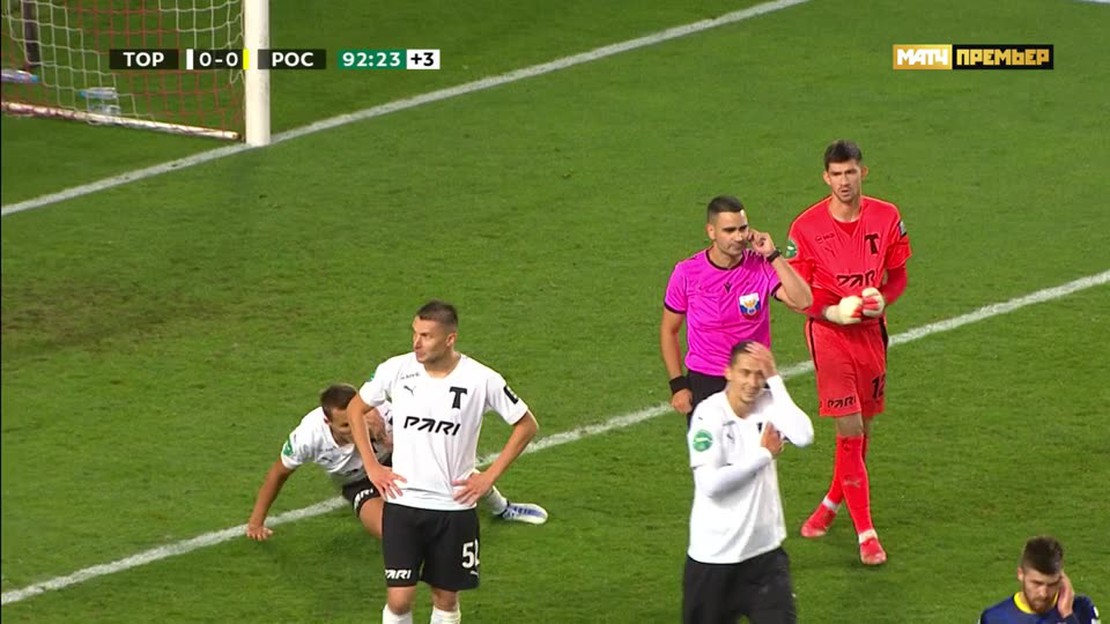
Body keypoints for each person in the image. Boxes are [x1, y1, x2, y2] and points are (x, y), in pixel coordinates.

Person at [346, 300, 540, 624]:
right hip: (403, 503)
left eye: (426, 336)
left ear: (450, 339)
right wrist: (372, 466)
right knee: (399, 599)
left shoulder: (482, 379)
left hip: (454, 507)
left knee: (446, 598)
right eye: (414, 333)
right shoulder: (396, 369)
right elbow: (355, 409)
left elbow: (526, 425)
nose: (416, 343)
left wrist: (489, 476)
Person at [786, 140, 912, 565]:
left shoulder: (887, 216)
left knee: (862, 432)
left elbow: (898, 276)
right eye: (837, 174)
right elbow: (795, 293)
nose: (844, 181)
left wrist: (883, 300)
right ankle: (866, 534)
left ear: (863, 173)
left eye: (850, 172)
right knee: (851, 428)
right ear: (826, 177)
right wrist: (831, 311)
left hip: (872, 335)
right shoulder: (805, 228)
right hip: (829, 336)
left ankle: (830, 503)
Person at [245, 383, 548, 543]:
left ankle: (503, 508)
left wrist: (387, 439)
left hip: (396, 460)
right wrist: (257, 522)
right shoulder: (307, 436)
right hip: (359, 481)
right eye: (345, 425)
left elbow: (429, 443)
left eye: (358, 418)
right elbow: (278, 474)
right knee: (393, 534)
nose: (355, 428)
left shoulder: (385, 413)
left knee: (455, 470)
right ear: (328, 422)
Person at [684, 341, 814, 624]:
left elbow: (804, 436)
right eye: (745, 373)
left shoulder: (769, 404)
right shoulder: (709, 415)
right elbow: (710, 484)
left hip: (764, 557)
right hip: (715, 560)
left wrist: (775, 379)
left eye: (759, 374)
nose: (753, 383)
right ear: (728, 372)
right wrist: (763, 455)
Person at [661, 195, 812, 426]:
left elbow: (803, 301)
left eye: (743, 228)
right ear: (711, 231)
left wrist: (773, 255)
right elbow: (669, 330)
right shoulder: (687, 273)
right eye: (729, 230)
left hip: (753, 378)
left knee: (762, 447)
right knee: (712, 450)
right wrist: (677, 385)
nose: (739, 237)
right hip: (706, 380)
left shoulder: (760, 265)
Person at [979, 536, 1100, 624]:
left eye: (1052, 584)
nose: (1044, 594)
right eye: (1036, 583)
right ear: (1021, 574)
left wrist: (1067, 615)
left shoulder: (1080, 609)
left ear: (1062, 579)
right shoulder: (994, 618)